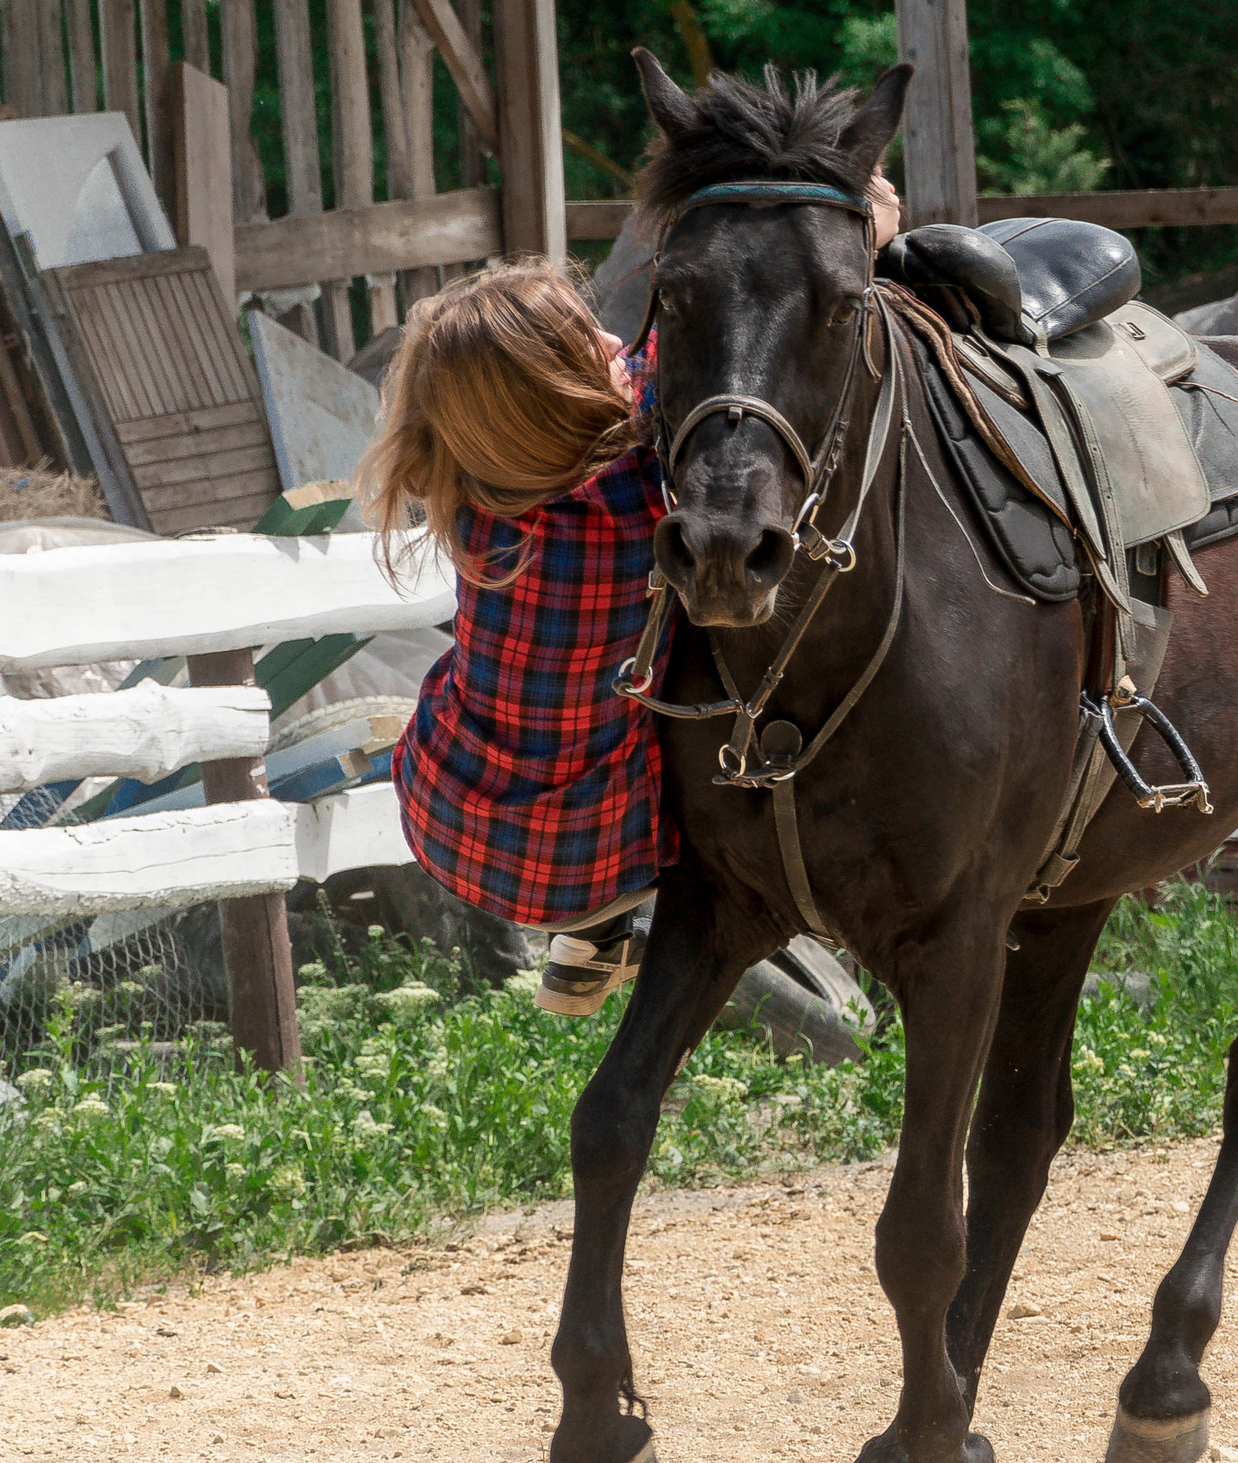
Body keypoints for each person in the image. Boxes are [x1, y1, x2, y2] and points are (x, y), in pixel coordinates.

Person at [359, 174, 901, 1018]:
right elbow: (693, 372)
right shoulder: (626, 492)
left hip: (449, 818)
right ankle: (604, 909)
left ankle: (589, 936)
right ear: (560, 397)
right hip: (595, 852)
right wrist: (868, 236)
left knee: (571, 708)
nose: (618, 341)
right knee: (674, 695)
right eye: (594, 346)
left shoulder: (472, 495)